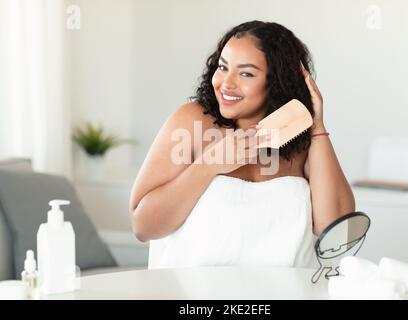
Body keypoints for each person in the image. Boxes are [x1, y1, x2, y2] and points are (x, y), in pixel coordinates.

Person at [129, 20, 355, 268]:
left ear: (277, 81)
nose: (226, 83)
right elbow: (143, 226)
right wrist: (209, 165)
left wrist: (317, 127)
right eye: (223, 67)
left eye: (246, 73)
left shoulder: (301, 141)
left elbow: (336, 231)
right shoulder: (191, 122)